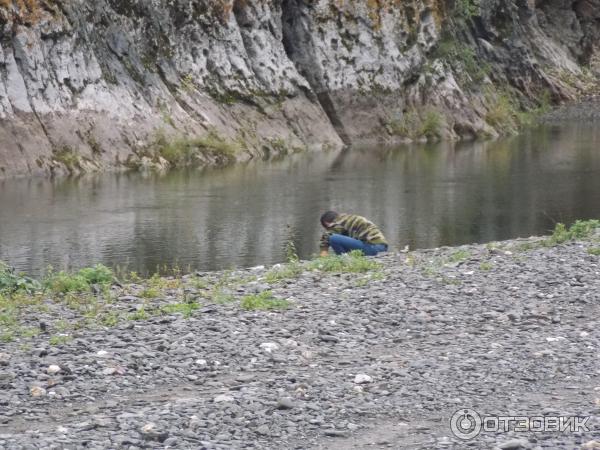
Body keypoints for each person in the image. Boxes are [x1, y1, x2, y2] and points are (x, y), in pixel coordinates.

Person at [319, 210, 388, 256]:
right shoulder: (347, 219)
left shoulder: (339, 221)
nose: (329, 229)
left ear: (327, 223)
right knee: (339, 240)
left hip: (374, 248)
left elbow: (329, 235)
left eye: (327, 227)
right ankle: (348, 259)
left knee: (333, 238)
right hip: (381, 248)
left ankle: (344, 262)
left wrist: (323, 250)